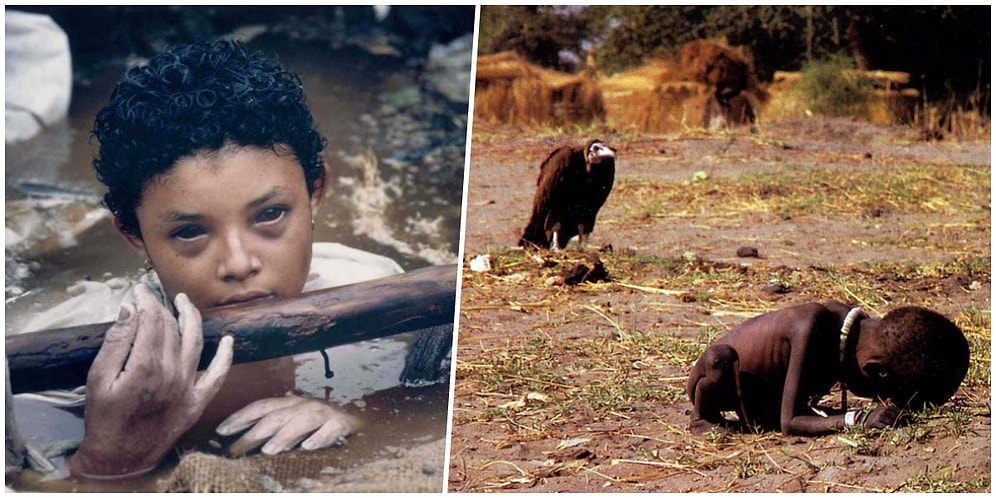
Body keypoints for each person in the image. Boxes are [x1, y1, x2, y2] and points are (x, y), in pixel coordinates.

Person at [18, 39, 405, 479]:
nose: (239, 264)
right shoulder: (56, 371)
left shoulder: (377, 297)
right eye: (189, 232)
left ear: (315, 194)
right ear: (134, 236)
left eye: (271, 215)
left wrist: (358, 415)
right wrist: (107, 462)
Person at [686, 300, 970, 436]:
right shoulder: (811, 327)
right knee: (718, 361)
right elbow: (790, 422)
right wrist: (858, 419)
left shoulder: (854, 334)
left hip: (763, 397)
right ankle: (703, 419)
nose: (883, 402)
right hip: (718, 382)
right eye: (885, 395)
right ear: (876, 370)